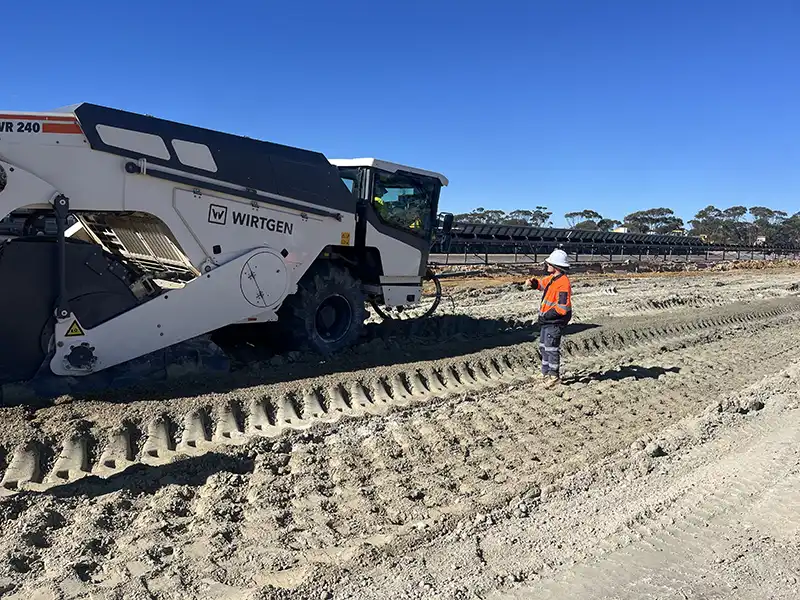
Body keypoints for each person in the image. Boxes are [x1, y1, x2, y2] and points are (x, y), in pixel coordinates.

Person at [526, 249, 573, 388]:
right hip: (547, 321)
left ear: (556, 266)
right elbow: (542, 285)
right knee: (544, 347)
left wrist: (546, 315)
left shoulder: (563, 283)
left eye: (549, 263)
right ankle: (545, 372)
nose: (547, 265)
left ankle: (554, 376)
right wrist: (533, 283)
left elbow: (562, 308)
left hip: (554, 321)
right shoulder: (553, 279)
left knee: (551, 348)